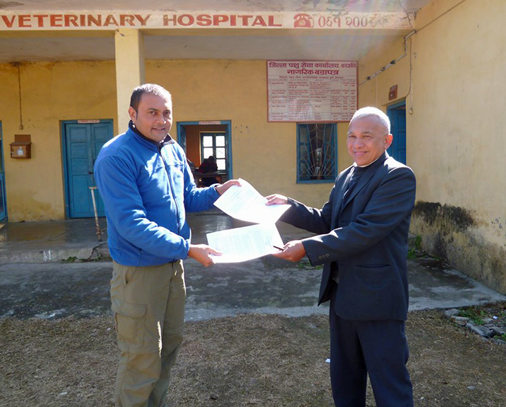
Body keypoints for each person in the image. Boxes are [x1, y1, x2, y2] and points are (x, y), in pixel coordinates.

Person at [94, 83, 239, 407]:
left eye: (166, 113)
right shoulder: (116, 156)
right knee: (141, 359)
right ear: (132, 114)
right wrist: (187, 248)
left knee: (168, 348)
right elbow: (131, 223)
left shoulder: (172, 149)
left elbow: (188, 198)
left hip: (173, 269)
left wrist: (218, 191)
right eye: (152, 113)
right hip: (140, 273)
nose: (161, 120)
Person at [267, 107, 416, 407]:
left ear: (387, 140)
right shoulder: (347, 175)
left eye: (366, 137)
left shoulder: (397, 177)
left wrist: (307, 248)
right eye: (351, 136)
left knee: (390, 386)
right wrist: (287, 206)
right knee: (345, 382)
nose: (357, 144)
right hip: (344, 295)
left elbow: (365, 230)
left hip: (377, 300)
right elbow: (328, 219)